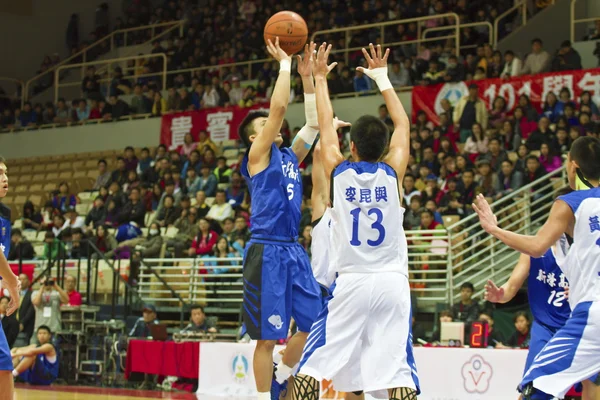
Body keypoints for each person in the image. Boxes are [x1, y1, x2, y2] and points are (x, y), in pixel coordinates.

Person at [295, 43, 420, 399]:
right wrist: (382, 78)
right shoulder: (393, 173)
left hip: (351, 282)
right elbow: (403, 122)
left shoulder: (339, 172)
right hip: (393, 282)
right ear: (385, 148)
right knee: (398, 372)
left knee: (313, 367)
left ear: (351, 148)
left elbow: (324, 128)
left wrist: (320, 79)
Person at [473, 136, 600, 399]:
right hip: (567, 316)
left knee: (536, 386)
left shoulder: (571, 202)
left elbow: (537, 246)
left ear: (572, 166)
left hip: (593, 314)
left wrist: (494, 229)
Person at [237, 40, 322, 400]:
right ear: (255, 136)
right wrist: (285, 65)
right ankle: (261, 397)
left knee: (315, 322)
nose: (276, 125)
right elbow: (279, 107)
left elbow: (315, 123)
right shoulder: (258, 153)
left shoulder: (289, 156)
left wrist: (307, 78)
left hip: (293, 251)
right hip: (266, 250)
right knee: (267, 337)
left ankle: (281, 376)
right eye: (265, 124)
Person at [0, 156, 20, 399]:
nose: (5, 178)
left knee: (4, 366)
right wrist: (13, 282)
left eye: (6, 173)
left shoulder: (4, 216)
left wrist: (6, 279)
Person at [31, 276, 68, 342]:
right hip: (40, 328)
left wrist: (56, 286)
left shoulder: (56, 294)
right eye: (46, 282)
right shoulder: (35, 293)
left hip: (54, 327)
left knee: (53, 349)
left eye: (49, 282)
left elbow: (66, 300)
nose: (47, 284)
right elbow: (36, 302)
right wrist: (42, 287)